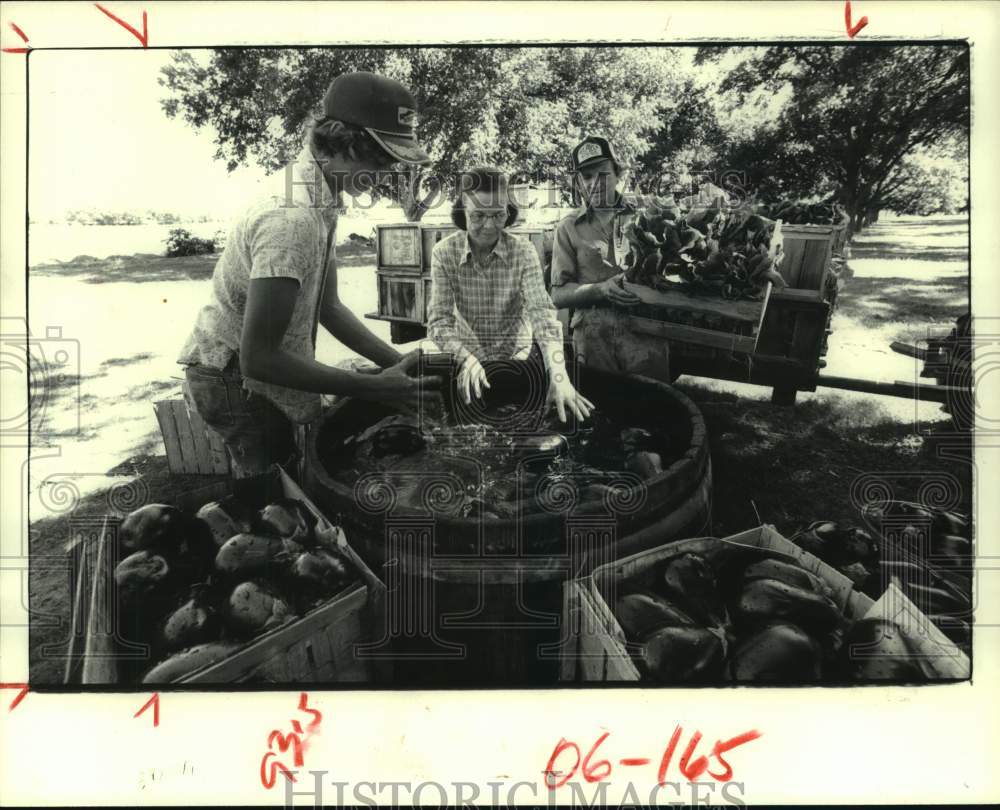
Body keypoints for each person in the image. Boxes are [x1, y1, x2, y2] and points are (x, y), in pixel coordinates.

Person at [177, 71, 440, 477]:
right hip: (231, 379)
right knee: (275, 488)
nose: (389, 174)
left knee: (291, 469)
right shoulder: (292, 218)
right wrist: (372, 386)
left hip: (250, 369)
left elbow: (329, 307)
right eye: (383, 159)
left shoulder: (321, 200)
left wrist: (397, 363)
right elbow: (258, 359)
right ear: (345, 144)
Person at [426, 166, 593, 423]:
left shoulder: (523, 251)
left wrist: (559, 377)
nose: (489, 226)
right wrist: (465, 359)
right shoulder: (443, 253)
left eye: (498, 215)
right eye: (478, 215)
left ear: (509, 212)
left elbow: (544, 317)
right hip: (469, 362)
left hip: (518, 361)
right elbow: (439, 323)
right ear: (462, 212)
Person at [549, 136, 672, 381]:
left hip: (646, 332)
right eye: (586, 176)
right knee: (601, 412)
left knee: (654, 409)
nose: (594, 183)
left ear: (618, 173)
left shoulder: (648, 216)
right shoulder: (568, 227)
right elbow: (558, 295)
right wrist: (600, 289)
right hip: (593, 337)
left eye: (602, 173)